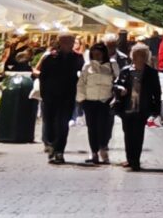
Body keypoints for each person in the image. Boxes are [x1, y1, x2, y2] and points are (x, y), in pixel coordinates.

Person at [34, 35, 82, 165]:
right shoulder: (51, 58)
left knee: (62, 124)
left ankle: (59, 151)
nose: (69, 44)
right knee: (49, 122)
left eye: (70, 42)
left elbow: (81, 77)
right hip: (50, 95)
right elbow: (43, 76)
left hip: (67, 96)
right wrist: (44, 94)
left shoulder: (77, 58)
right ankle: (50, 144)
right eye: (66, 42)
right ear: (60, 43)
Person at [115, 42, 161, 170]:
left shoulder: (151, 72)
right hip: (126, 107)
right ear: (132, 56)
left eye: (142, 55)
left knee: (138, 134)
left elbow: (156, 92)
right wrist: (120, 89)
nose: (139, 58)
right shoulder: (125, 71)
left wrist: (156, 108)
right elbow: (116, 85)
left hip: (142, 107)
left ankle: (136, 160)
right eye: (137, 55)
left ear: (146, 57)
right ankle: (130, 158)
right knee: (127, 134)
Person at [77, 41, 118, 165]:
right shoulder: (87, 66)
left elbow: (118, 80)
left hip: (106, 101)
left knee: (105, 127)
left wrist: (114, 97)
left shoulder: (112, 65)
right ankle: (94, 152)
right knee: (92, 127)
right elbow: (81, 83)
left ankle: (103, 147)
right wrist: (82, 99)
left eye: (99, 54)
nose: (97, 57)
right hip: (90, 101)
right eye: (94, 54)